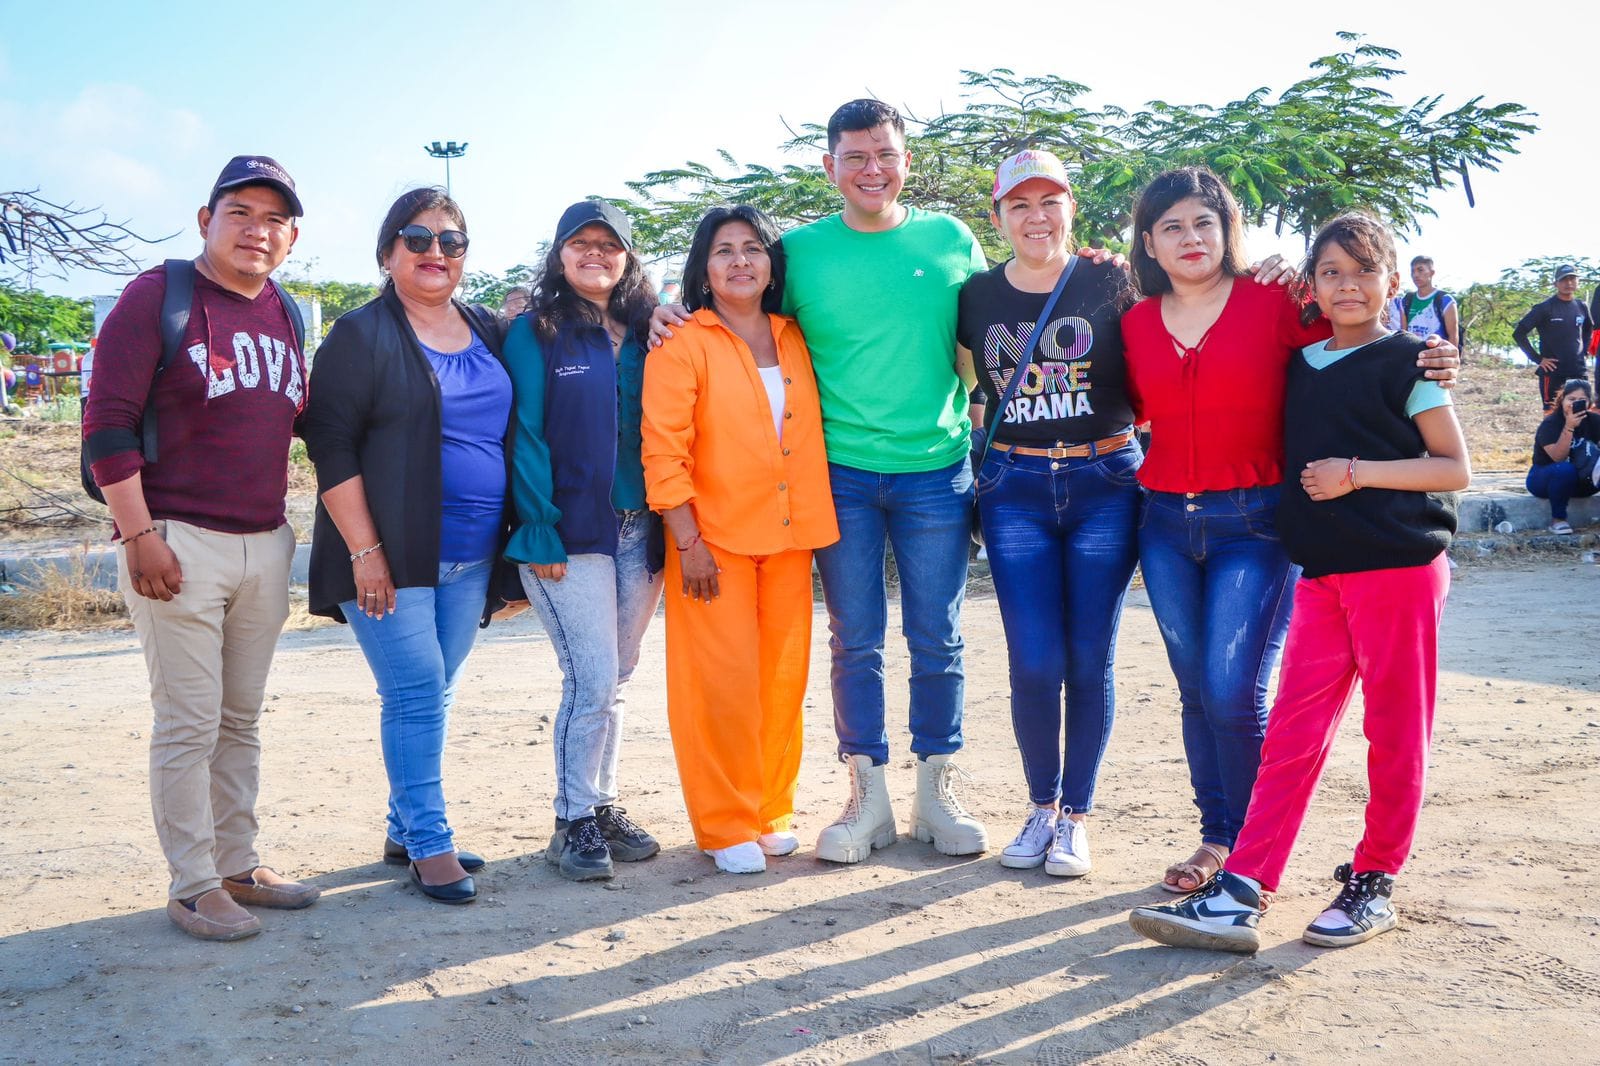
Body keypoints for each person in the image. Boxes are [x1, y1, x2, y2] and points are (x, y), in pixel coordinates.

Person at [653, 99, 993, 863]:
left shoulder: (951, 238)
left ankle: (936, 795)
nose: (873, 169)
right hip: (838, 477)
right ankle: (866, 798)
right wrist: (664, 312)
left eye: (886, 154)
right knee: (854, 641)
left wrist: (1095, 270)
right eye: (856, 156)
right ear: (829, 165)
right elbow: (730, 309)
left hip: (936, 471)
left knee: (938, 636)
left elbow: (997, 321)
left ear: (907, 159)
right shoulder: (798, 253)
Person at [1130, 213, 1470, 953]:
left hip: (1401, 571)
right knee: (1292, 733)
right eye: (1331, 273)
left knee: (1394, 732)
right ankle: (1244, 886)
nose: (1349, 286)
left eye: (1365, 271)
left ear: (1392, 281)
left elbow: (1454, 468)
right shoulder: (1302, 362)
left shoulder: (1410, 362)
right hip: (1321, 573)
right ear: (1311, 286)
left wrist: (1357, 474)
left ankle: (1375, 880)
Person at [83, 155, 318, 941]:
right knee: (188, 723)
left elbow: (296, 421)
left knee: (239, 720)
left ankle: (237, 864)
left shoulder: (285, 310)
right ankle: (192, 886)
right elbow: (107, 424)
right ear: (205, 220)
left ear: (291, 238)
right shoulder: (160, 294)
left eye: (275, 219)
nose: (258, 230)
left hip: (265, 541)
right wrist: (138, 533)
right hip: (177, 540)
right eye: (240, 212)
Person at [302, 187, 512, 906]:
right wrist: (365, 552)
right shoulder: (360, 334)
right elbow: (330, 445)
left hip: (473, 555)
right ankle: (429, 843)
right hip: (391, 556)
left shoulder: (486, 326)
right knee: (416, 692)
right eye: (417, 239)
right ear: (387, 253)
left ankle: (402, 828)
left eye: (451, 241)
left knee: (434, 690)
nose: (435, 252)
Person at [956, 151, 1140, 878]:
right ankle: (1040, 806)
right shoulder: (974, 296)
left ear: (1071, 208)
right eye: (1020, 205)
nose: (1036, 217)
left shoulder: (1114, 279)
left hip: (1106, 479)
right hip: (1015, 487)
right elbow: (959, 383)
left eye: (1049, 201)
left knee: (1090, 657)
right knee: (1033, 660)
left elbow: (1196, 306)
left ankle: (1075, 818)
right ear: (998, 216)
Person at [641, 205, 838, 874]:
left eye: (753, 247)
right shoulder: (682, 341)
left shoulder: (795, 335)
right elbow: (663, 451)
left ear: (771, 263)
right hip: (711, 541)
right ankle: (724, 823)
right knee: (719, 685)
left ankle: (769, 811)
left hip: (789, 533)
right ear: (704, 267)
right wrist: (687, 541)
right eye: (723, 250)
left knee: (780, 681)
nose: (740, 261)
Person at [505, 200, 665, 882]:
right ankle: (571, 821)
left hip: (640, 528)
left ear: (628, 257)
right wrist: (538, 525)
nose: (595, 254)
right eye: (581, 243)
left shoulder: (649, 329)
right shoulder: (535, 331)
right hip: (568, 534)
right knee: (592, 679)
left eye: (609, 244)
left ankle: (600, 804)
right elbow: (524, 432)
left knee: (617, 677)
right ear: (560, 254)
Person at [1515, 264, 1592, 412]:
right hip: (1553, 373)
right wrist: (1538, 359)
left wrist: (1584, 351)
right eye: (1564, 279)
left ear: (1578, 281)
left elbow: (1588, 329)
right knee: (1551, 414)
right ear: (1555, 283)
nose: (1568, 283)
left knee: (1580, 414)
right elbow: (1519, 333)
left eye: (1572, 279)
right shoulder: (1544, 308)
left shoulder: (1582, 306)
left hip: (1578, 371)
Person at [1526, 379, 1599, 534]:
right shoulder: (1551, 424)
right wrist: (1569, 427)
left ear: (1589, 403)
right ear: (1562, 400)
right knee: (1564, 469)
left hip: (1583, 481)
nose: (1575, 404)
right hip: (1545, 479)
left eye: (1581, 400)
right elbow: (1558, 457)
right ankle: (1558, 520)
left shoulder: (1594, 421)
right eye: (1571, 399)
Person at [1391, 256, 1459, 348]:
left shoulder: (1445, 300)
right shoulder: (1407, 300)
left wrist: (1452, 355)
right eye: (1413, 271)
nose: (1415, 275)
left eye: (1420, 270)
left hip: (1436, 353)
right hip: (1413, 353)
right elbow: (1404, 333)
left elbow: (1453, 335)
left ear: (1432, 273)